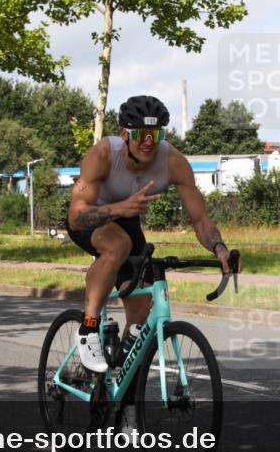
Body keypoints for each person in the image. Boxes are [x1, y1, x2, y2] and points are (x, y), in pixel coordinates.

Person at [67, 95, 241, 380]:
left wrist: (219, 248)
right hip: (92, 217)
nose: (149, 141)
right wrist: (120, 208)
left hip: (127, 220)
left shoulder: (173, 161)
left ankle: (121, 398)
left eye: (156, 134)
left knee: (139, 318)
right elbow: (76, 216)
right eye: (141, 134)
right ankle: (88, 328)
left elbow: (200, 220)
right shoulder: (103, 155)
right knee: (118, 244)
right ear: (125, 134)